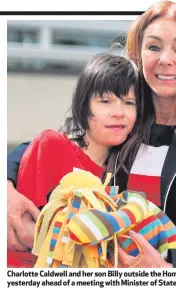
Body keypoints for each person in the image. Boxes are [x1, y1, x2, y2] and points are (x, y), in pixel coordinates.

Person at [8, 1, 176, 268]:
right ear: (139, 52)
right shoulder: (126, 115)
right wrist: (6, 188)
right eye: (154, 47)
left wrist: (173, 269)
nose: (165, 59)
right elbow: (52, 145)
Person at [7, 53, 144, 267]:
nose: (119, 112)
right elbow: (24, 232)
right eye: (105, 101)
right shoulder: (52, 144)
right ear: (84, 105)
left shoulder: (124, 173)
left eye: (128, 102)